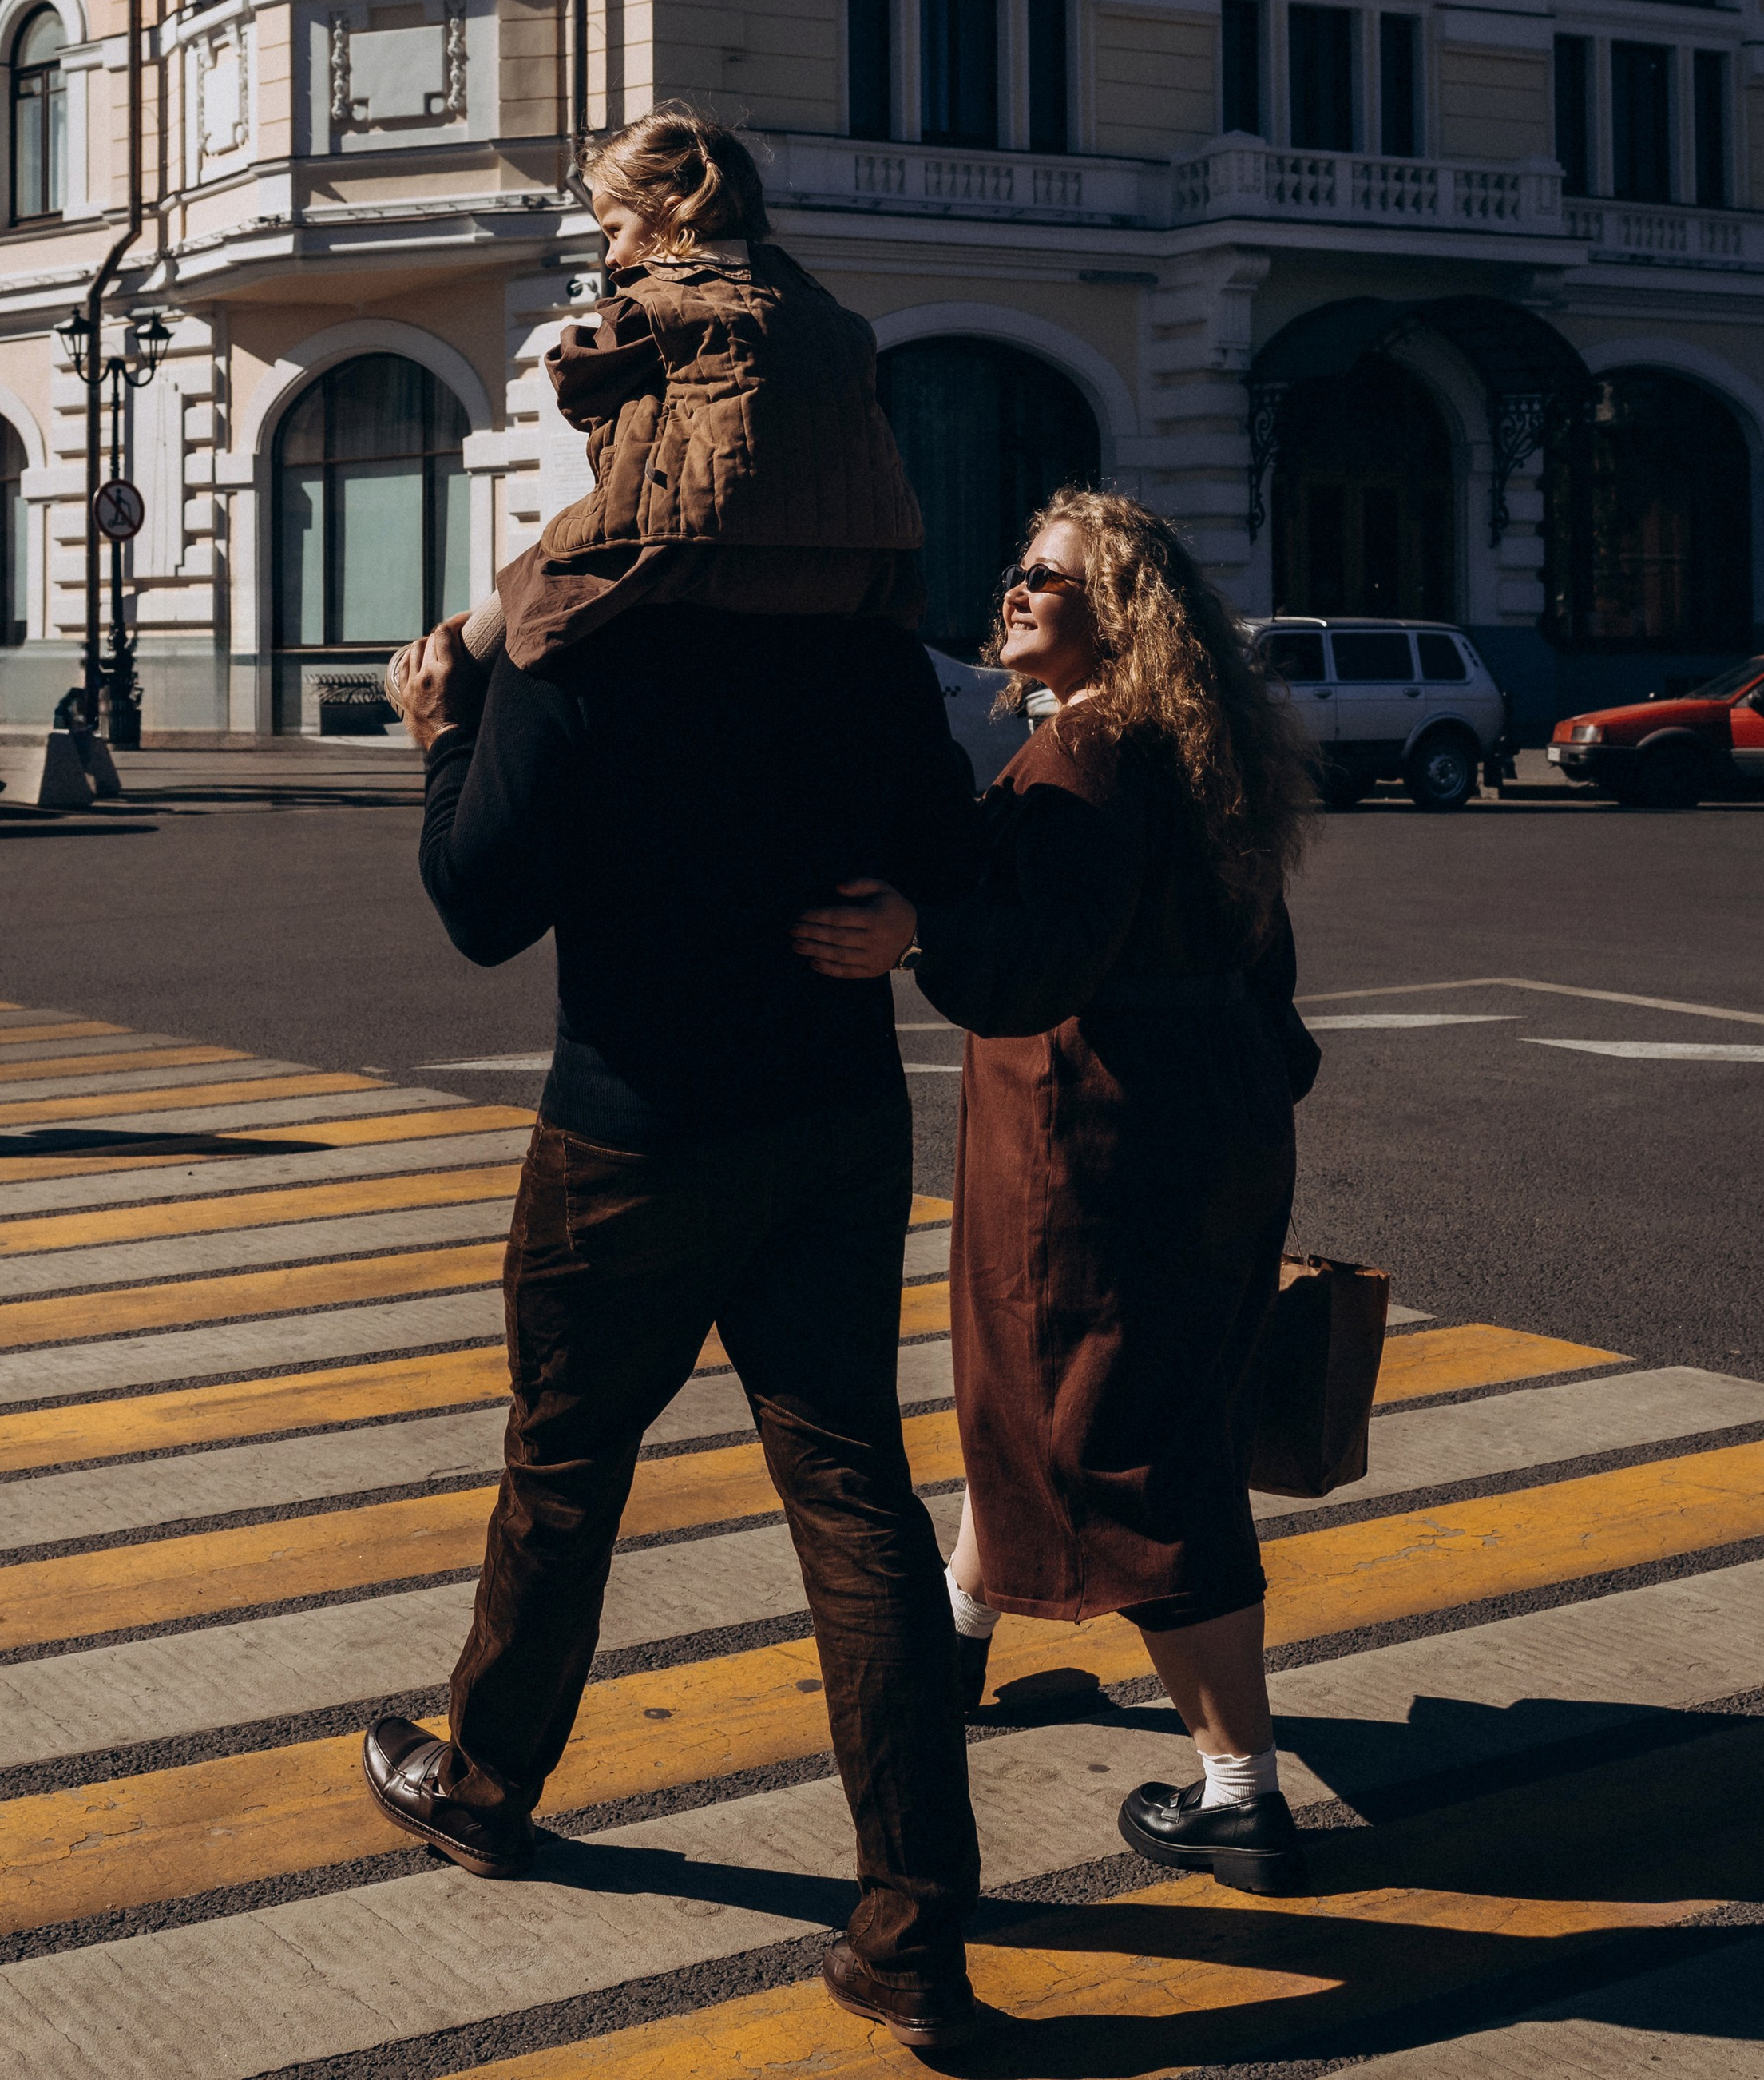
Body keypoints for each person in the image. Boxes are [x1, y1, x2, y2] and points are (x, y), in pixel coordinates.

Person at [360, 591, 984, 2051]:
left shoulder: (585, 651)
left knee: (566, 1470)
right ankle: (912, 1929)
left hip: (631, 1140)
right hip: (836, 1123)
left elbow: (481, 905)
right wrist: (899, 908)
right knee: (854, 1495)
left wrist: (448, 733)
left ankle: (489, 1790)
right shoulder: (864, 647)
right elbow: (950, 856)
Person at [792, 489, 1321, 1899]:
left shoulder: (1086, 758)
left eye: (1051, 579)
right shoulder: (1185, 750)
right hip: (1210, 1119)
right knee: (1040, 1397)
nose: (1016, 593)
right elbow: (1266, 963)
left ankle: (1241, 1793)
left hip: (1094, 1136)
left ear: (1122, 613)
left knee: (1121, 1446)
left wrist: (922, 931)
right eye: (1017, 571)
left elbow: (1031, 969)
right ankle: (955, 1645)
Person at [425, 105, 923, 685]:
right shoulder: (829, 314)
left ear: (670, 212)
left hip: (688, 545)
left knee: (534, 589)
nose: (611, 256)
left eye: (615, 230)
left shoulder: (658, 301)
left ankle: (424, 679)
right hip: (858, 558)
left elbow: (577, 376)